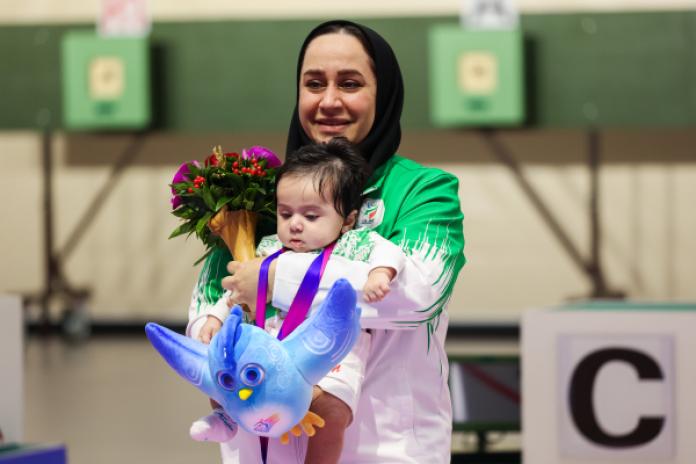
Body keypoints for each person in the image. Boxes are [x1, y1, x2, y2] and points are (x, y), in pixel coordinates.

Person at [191, 19, 465, 463]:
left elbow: (417, 299)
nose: (329, 101)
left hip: (384, 450)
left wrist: (273, 278)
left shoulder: (422, 191)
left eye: (351, 83)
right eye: (314, 83)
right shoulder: (264, 194)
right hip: (258, 447)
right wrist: (214, 329)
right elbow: (209, 304)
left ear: (385, 93)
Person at [188, 138, 407, 456]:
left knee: (331, 410)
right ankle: (226, 418)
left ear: (347, 220)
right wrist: (216, 316)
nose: (295, 225)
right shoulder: (268, 248)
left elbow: (391, 253)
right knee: (224, 375)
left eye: (311, 216)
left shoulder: (355, 244)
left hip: (330, 356)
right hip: (273, 349)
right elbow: (240, 287)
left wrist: (380, 274)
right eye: (285, 213)